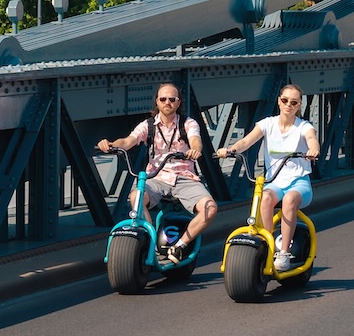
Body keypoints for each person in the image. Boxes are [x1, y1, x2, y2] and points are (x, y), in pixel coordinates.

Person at [96, 82, 218, 262]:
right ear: (157, 102)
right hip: (156, 177)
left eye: (172, 99)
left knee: (210, 208)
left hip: (184, 177)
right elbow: (129, 141)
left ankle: (180, 246)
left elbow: (195, 140)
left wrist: (195, 149)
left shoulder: (188, 123)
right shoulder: (148, 125)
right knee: (136, 198)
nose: (167, 102)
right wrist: (111, 144)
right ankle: (149, 241)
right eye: (163, 99)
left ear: (178, 103)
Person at [223, 83, 320, 271]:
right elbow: (246, 141)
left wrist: (313, 148)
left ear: (299, 105)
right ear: (279, 101)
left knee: (290, 199)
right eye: (285, 100)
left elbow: (311, 138)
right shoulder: (267, 124)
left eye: (294, 102)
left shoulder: (303, 126)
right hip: (274, 181)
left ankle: (283, 252)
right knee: (265, 197)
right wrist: (230, 150)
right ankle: (267, 245)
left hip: (298, 183)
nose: (288, 105)